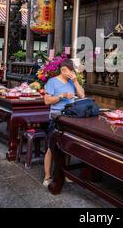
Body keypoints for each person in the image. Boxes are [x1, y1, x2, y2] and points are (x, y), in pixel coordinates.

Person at [42, 59, 85, 187]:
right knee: (52, 147)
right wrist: (62, 95)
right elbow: (47, 101)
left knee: (67, 146)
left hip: (70, 117)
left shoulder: (72, 82)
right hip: (56, 118)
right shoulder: (52, 82)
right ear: (63, 70)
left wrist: (76, 81)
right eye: (70, 71)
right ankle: (47, 175)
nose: (72, 73)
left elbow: (82, 95)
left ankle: (64, 173)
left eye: (73, 71)